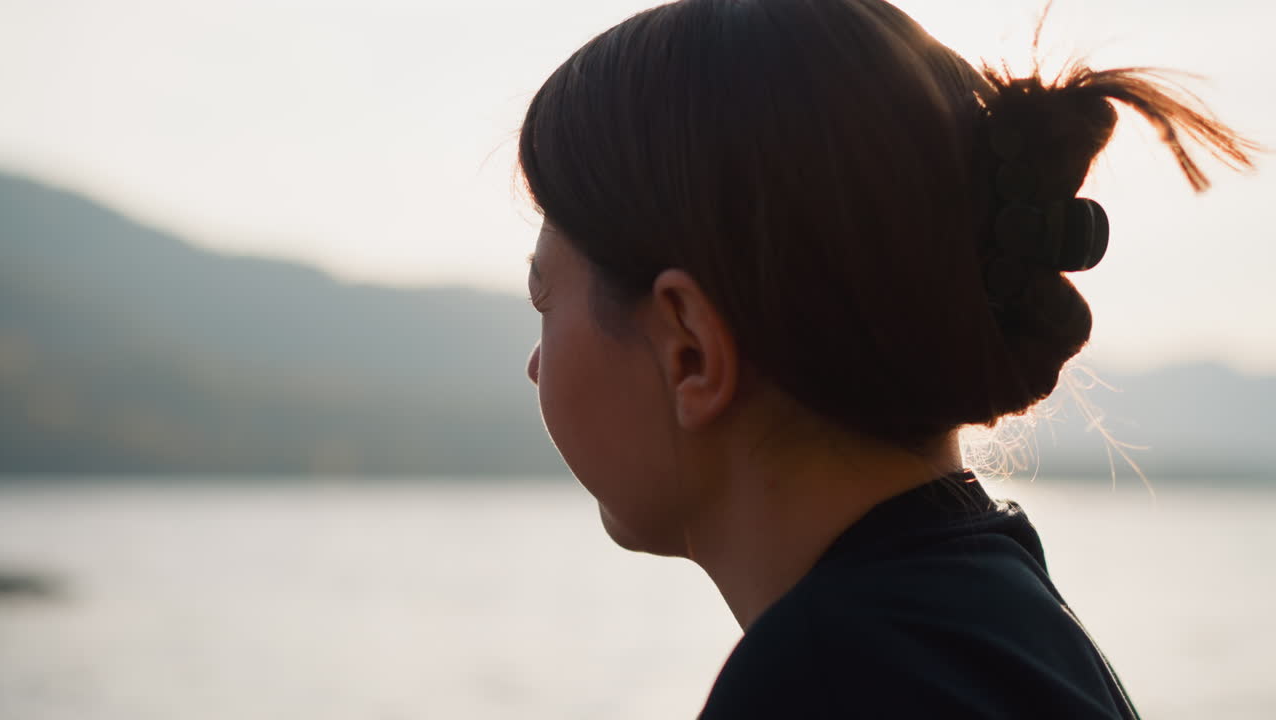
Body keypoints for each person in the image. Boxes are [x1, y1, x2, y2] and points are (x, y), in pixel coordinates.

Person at [517, 0, 1255, 717]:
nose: (534, 365)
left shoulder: (818, 682)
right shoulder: (1009, 622)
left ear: (690, 351)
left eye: (544, 299)